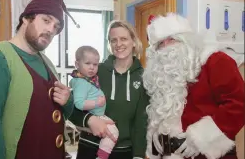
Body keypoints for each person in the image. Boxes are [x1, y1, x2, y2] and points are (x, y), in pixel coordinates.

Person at [0, 0, 78, 159]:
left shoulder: (47, 62)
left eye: (56, 26)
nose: (51, 30)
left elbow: (55, 115)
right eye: (46, 20)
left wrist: (67, 101)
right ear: (26, 18)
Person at [143, 13, 244, 159]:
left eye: (171, 39)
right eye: (160, 44)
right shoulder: (161, 75)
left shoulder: (215, 61)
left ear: (186, 40)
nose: (166, 48)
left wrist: (201, 139)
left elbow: (239, 103)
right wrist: (157, 137)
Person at [59, 20, 149, 159]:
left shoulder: (144, 76)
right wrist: (89, 120)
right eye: (114, 40)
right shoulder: (94, 71)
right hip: (89, 147)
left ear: (134, 42)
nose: (118, 44)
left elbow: (141, 121)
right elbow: (70, 106)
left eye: (124, 39)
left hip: (125, 152)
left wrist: (138, 155)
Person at [69, 46, 119, 159]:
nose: (92, 67)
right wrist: (97, 103)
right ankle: (101, 157)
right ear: (77, 64)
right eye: (87, 63)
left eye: (95, 64)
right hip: (95, 116)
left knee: (111, 125)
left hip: (98, 115)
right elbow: (79, 104)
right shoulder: (81, 82)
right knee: (113, 133)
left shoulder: (88, 80)